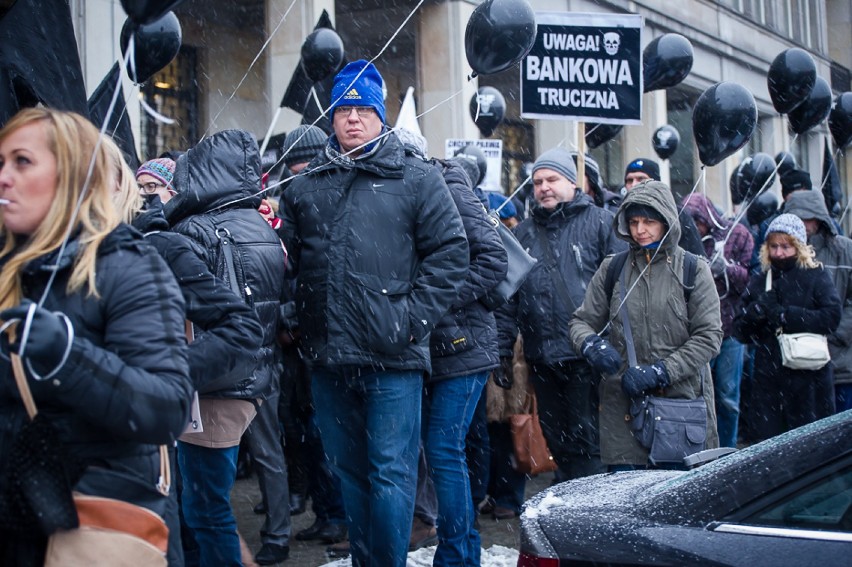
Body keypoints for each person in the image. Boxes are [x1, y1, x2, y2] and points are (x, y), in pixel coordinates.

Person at [278, 60, 469, 566]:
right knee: (351, 471)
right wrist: (299, 320)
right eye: (345, 109)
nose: (354, 119)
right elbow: (290, 263)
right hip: (328, 358)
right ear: (332, 116)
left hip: (394, 358)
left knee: (391, 473)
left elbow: (451, 253)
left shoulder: (417, 178)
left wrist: (409, 320)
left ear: (381, 116)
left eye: (364, 109)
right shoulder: (303, 187)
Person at [0, 108, 192, 564]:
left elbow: (166, 407)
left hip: (87, 529)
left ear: (72, 177)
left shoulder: (127, 266)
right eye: (0, 162)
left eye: (22, 161)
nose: (4, 177)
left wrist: (69, 355)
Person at [163, 129, 291, 565]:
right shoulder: (260, 223)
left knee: (205, 508)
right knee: (212, 500)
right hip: (252, 374)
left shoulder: (195, 228)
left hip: (212, 381)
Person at [570, 180, 722, 470]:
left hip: (680, 406)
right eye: (634, 221)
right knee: (627, 503)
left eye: (649, 221)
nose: (640, 230)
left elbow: (709, 337)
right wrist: (590, 344)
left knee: (678, 503)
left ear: (666, 221)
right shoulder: (612, 268)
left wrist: (662, 371)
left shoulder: (693, 268)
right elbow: (581, 322)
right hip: (622, 409)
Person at [495, 146, 625, 484]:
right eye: (537, 182)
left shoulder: (601, 223)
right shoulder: (522, 233)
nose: (544, 188)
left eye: (552, 179)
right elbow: (508, 298)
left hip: (588, 356)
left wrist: (611, 343)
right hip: (543, 357)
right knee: (557, 441)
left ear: (572, 181)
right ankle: (570, 508)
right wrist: (502, 351)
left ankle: (590, 514)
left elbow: (622, 290)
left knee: (589, 443)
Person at [733, 214, 841, 440]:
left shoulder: (815, 275)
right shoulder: (761, 279)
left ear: (799, 246)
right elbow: (739, 329)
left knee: (811, 447)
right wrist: (758, 311)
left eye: (786, 246)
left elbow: (831, 317)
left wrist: (786, 316)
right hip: (769, 380)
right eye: (774, 246)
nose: (779, 253)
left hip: (810, 379)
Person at [681, 193, 754, 448]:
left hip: (729, 328)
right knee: (695, 395)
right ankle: (701, 449)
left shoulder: (737, 234)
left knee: (727, 396)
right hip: (695, 330)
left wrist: (727, 268)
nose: (696, 228)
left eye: (698, 221)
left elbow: (749, 280)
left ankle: (727, 448)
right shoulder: (681, 237)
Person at [778, 191, 852, 414]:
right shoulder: (784, 255)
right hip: (798, 361)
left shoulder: (845, 250)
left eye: (808, 217)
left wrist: (832, 332)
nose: (803, 224)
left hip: (841, 362)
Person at [622, 158, 704, 255]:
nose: (634, 184)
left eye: (641, 179)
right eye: (629, 180)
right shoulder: (620, 215)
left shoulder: (678, 215)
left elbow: (696, 258)